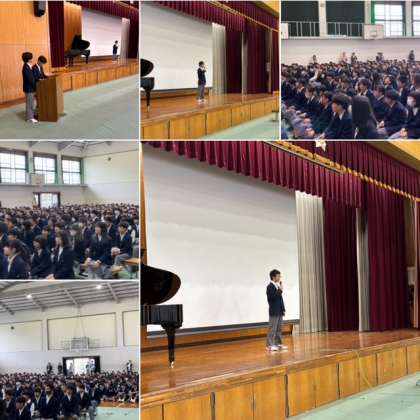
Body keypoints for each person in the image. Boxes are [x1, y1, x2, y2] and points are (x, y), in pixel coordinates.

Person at [266, 269, 287, 352]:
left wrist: (283, 309)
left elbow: (280, 299)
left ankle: (278, 344)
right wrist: (280, 290)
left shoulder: (277, 286)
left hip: (279, 310)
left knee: (279, 329)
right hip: (274, 311)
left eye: (280, 276)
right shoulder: (270, 286)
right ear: (273, 277)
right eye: (278, 276)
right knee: (272, 329)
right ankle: (270, 345)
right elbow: (272, 297)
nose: (279, 277)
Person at [22, 51, 38, 124]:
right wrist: (35, 86)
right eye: (31, 58)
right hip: (29, 88)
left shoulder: (28, 65)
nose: (32, 59)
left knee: (31, 103)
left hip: (30, 88)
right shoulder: (26, 67)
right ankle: (29, 118)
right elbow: (30, 79)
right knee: (29, 104)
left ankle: (31, 116)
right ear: (29, 59)